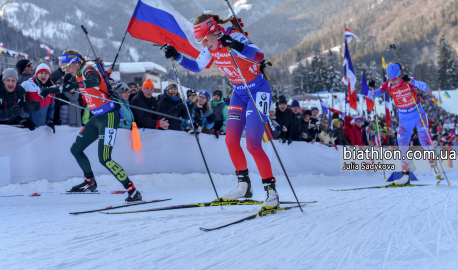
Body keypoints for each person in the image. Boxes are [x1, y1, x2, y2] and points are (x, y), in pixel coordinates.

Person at [165, 14, 279, 211]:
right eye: (200, 41)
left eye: (204, 39)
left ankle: (271, 192)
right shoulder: (211, 47)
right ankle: (244, 186)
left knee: (253, 144)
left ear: (213, 32)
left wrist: (235, 44)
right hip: (239, 93)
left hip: (258, 90)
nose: (204, 44)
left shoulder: (233, 35)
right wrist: (177, 56)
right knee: (231, 140)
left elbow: (259, 56)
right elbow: (197, 66)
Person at [39, 49, 142, 201]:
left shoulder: (88, 69)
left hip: (109, 117)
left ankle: (132, 190)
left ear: (75, 63)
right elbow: (66, 87)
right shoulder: (79, 74)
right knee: (76, 149)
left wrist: (76, 84)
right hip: (97, 117)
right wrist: (49, 90)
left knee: (105, 158)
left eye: (67, 66)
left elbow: (93, 81)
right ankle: (90, 182)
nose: (67, 70)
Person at [369, 63, 434, 185]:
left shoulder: (409, 80)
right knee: (402, 146)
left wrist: (411, 82)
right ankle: (406, 175)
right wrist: (371, 88)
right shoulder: (388, 85)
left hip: (418, 115)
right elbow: (371, 95)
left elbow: (426, 87)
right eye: (389, 79)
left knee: (424, 140)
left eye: (393, 79)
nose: (391, 82)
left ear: (400, 75)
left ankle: (435, 168)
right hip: (404, 119)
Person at [21, 64, 56, 132]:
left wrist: (50, 120)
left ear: (49, 75)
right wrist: (22, 120)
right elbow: (18, 103)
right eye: (41, 73)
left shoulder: (52, 88)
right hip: (27, 127)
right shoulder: (26, 85)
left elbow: (51, 107)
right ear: (36, 74)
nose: (43, 75)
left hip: (43, 127)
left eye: (46, 73)